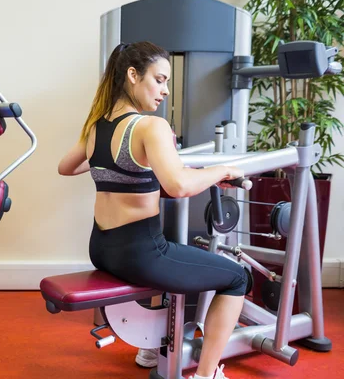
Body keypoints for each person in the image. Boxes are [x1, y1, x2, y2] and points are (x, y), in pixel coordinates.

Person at [58, 42, 248, 379]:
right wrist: (223, 171)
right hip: (141, 254)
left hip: (102, 249)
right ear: (133, 75)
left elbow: (66, 167)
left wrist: (111, 164)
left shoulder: (96, 126)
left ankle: (151, 348)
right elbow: (178, 186)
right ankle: (207, 375)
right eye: (159, 80)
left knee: (176, 261)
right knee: (237, 277)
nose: (164, 91)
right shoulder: (150, 126)